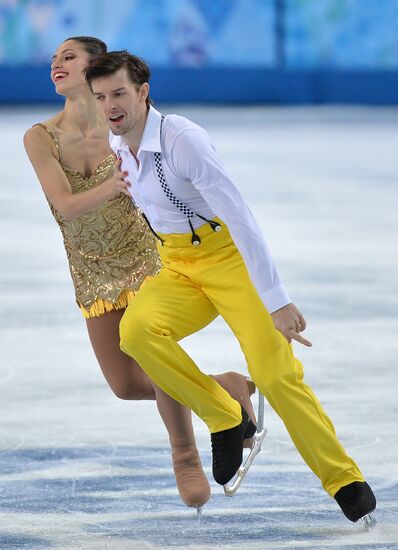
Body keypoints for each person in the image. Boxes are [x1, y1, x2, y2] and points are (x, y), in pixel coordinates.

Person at [84, 49, 377, 525]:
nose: (110, 105)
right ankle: (225, 414)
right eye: (100, 97)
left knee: (276, 374)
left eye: (118, 93)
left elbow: (240, 216)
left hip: (230, 260)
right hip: (179, 265)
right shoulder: (119, 145)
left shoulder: (183, 141)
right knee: (136, 332)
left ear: (142, 92)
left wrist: (276, 300)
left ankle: (344, 479)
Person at [23, 36, 258, 511]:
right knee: (126, 385)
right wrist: (113, 185)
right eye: (53, 60)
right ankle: (226, 386)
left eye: (69, 57)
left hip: (146, 256)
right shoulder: (40, 137)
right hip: (91, 271)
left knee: (154, 360)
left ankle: (186, 457)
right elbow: (66, 207)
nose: (56, 65)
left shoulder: (125, 127)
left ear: (98, 69)